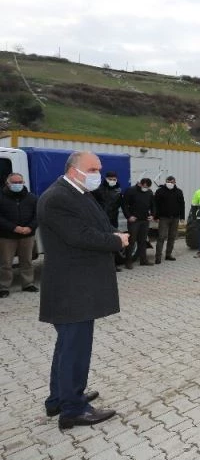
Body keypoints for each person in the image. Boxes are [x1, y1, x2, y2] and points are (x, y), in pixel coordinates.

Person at [38, 151, 128, 429]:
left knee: (67, 346)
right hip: (71, 288)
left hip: (78, 286)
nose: (97, 174)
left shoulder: (79, 193)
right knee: (75, 349)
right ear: (73, 170)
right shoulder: (58, 198)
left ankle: (59, 398)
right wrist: (116, 241)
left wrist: (114, 233)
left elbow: (97, 223)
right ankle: (73, 409)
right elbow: (80, 236)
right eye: (92, 169)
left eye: (98, 169)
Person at [0, 173, 38, 297]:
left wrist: (30, 227)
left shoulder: (32, 198)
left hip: (27, 235)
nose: (17, 185)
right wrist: (14, 228)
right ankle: (4, 287)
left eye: (20, 182)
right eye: (14, 182)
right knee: (6, 263)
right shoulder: (1, 197)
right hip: (7, 236)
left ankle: (28, 284)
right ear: (7, 184)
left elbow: (38, 215)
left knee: (27, 261)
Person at [122, 178, 154, 268]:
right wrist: (129, 216)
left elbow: (153, 205)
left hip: (145, 220)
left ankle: (143, 260)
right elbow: (124, 205)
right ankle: (128, 262)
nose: (145, 188)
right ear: (139, 184)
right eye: (144, 186)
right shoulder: (130, 191)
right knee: (131, 241)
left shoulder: (149, 192)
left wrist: (152, 215)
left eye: (147, 187)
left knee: (143, 241)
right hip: (134, 221)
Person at [153, 176, 184, 264]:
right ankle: (158, 257)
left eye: (172, 182)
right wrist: (156, 216)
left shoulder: (179, 192)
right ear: (165, 182)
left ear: (175, 182)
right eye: (168, 181)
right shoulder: (160, 191)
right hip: (163, 218)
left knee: (172, 237)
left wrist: (182, 217)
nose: (170, 183)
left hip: (175, 218)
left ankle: (168, 254)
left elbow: (182, 204)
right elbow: (155, 204)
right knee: (161, 237)